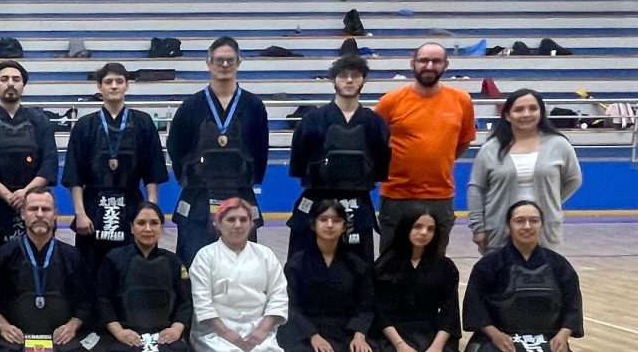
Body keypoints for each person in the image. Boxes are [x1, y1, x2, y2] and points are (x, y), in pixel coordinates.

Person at [462, 199, 604, 352]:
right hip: (504, 338)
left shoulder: (558, 265)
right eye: (520, 221)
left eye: (533, 221)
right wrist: (495, 335)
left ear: (542, 225)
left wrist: (562, 335)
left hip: (545, 339)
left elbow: (572, 304)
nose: (527, 226)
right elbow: (475, 306)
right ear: (508, 225)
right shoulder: (490, 264)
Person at [166, 36, 270, 269]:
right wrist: (190, 177)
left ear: (239, 62)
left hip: (240, 196)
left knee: (241, 265)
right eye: (219, 60)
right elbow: (176, 147)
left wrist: (249, 180)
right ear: (209, 63)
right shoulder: (190, 106)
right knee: (193, 264)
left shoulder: (254, 106)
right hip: (199, 196)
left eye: (230, 60)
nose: (224, 65)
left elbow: (260, 149)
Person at [90, 202, 215, 352]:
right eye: (141, 223)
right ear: (131, 227)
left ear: (161, 228)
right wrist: (119, 332)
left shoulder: (173, 261)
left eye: (154, 223)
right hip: (126, 336)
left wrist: (176, 329)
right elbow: (102, 300)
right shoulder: (114, 259)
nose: (147, 229)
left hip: (161, 336)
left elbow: (185, 302)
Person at [64, 62, 170, 279]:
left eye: (119, 81)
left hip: (130, 206)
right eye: (108, 82)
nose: (114, 86)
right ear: (99, 87)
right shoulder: (85, 125)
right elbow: (75, 176)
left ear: (126, 86)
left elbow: (152, 173)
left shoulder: (143, 122)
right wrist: (80, 214)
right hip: (93, 208)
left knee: (130, 269)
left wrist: (151, 210)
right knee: (90, 270)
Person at [0, 60, 58, 307]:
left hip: (33, 206)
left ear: (23, 85)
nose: (10, 84)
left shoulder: (40, 122)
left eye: (16, 79)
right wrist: (8, 196)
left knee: (31, 267)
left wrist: (26, 195)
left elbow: (49, 165)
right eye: (4, 79)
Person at [0, 190, 92, 352]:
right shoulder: (3, 256)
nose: (40, 214)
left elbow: (85, 302)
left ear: (55, 214)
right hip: (18, 339)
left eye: (46, 209)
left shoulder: (72, 256)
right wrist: (3, 326)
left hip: (58, 339)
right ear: (23, 214)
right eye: (34, 209)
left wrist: (72, 325)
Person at [375, 42, 477, 252]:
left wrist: (440, 159)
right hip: (396, 196)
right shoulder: (390, 101)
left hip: (440, 197)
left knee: (434, 265)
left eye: (436, 61)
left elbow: (464, 141)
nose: (429, 66)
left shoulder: (462, 101)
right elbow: (374, 141)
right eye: (423, 60)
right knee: (390, 265)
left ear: (445, 65)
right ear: (413, 63)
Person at [287, 54, 391, 260]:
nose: (350, 80)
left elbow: (381, 169)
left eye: (355, 75)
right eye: (343, 76)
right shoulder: (312, 120)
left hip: (357, 203)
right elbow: (298, 166)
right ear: (333, 79)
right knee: (304, 264)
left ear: (364, 79)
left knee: (360, 269)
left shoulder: (375, 123)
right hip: (316, 201)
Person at [189, 198, 294, 352]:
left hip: (257, 327)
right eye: (231, 220)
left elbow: (278, 295)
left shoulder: (265, 255)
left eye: (243, 220)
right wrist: (227, 333)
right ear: (218, 223)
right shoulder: (205, 256)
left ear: (251, 223)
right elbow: (202, 302)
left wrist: (262, 330)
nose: (238, 225)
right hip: (217, 329)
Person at [468, 88, 583, 251]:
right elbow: (476, 188)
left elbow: (573, 180)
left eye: (533, 108)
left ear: (541, 113)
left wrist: (551, 200)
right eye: (519, 109)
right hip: (498, 231)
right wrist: (478, 227)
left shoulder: (559, 145)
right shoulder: (490, 149)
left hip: (546, 232)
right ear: (508, 115)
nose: (526, 114)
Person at [278, 201, 379, 352]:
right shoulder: (297, 263)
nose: (330, 225)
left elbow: (366, 304)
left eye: (336, 220)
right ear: (313, 224)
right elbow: (291, 305)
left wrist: (359, 335)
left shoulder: (356, 264)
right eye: (323, 219)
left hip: (346, 330)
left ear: (344, 226)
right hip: (310, 332)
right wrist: (313, 336)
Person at [372, 203, 467, 352]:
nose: (424, 233)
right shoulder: (384, 266)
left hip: (429, 330)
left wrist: (436, 347)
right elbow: (379, 311)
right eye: (418, 226)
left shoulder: (445, 267)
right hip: (395, 332)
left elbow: (450, 311)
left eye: (430, 229)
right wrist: (400, 345)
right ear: (406, 228)